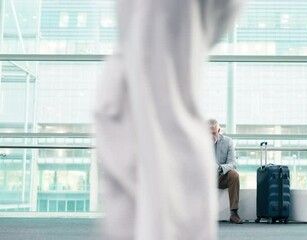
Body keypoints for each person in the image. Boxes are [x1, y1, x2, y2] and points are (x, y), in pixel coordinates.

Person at [94, 1, 244, 239]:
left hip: (153, 102)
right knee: (140, 203)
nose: (213, 132)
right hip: (137, 99)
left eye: (214, 129)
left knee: (157, 204)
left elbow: (224, 10)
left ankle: (233, 212)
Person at [208, 119, 242, 224]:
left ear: (219, 130)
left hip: (221, 176)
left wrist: (219, 167)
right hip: (204, 177)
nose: (211, 136)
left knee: (234, 175)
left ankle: (234, 213)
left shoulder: (228, 142)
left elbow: (233, 163)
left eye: (214, 133)